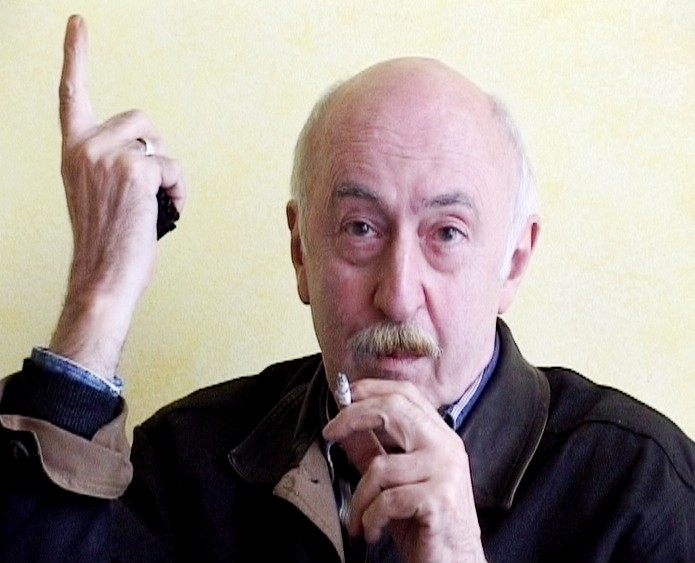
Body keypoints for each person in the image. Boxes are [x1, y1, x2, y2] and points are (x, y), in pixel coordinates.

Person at [1, 14, 693, 563]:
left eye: (446, 233)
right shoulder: (187, 464)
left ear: (513, 262)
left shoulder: (640, 489)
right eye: (361, 227)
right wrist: (98, 296)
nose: (398, 295)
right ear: (301, 252)